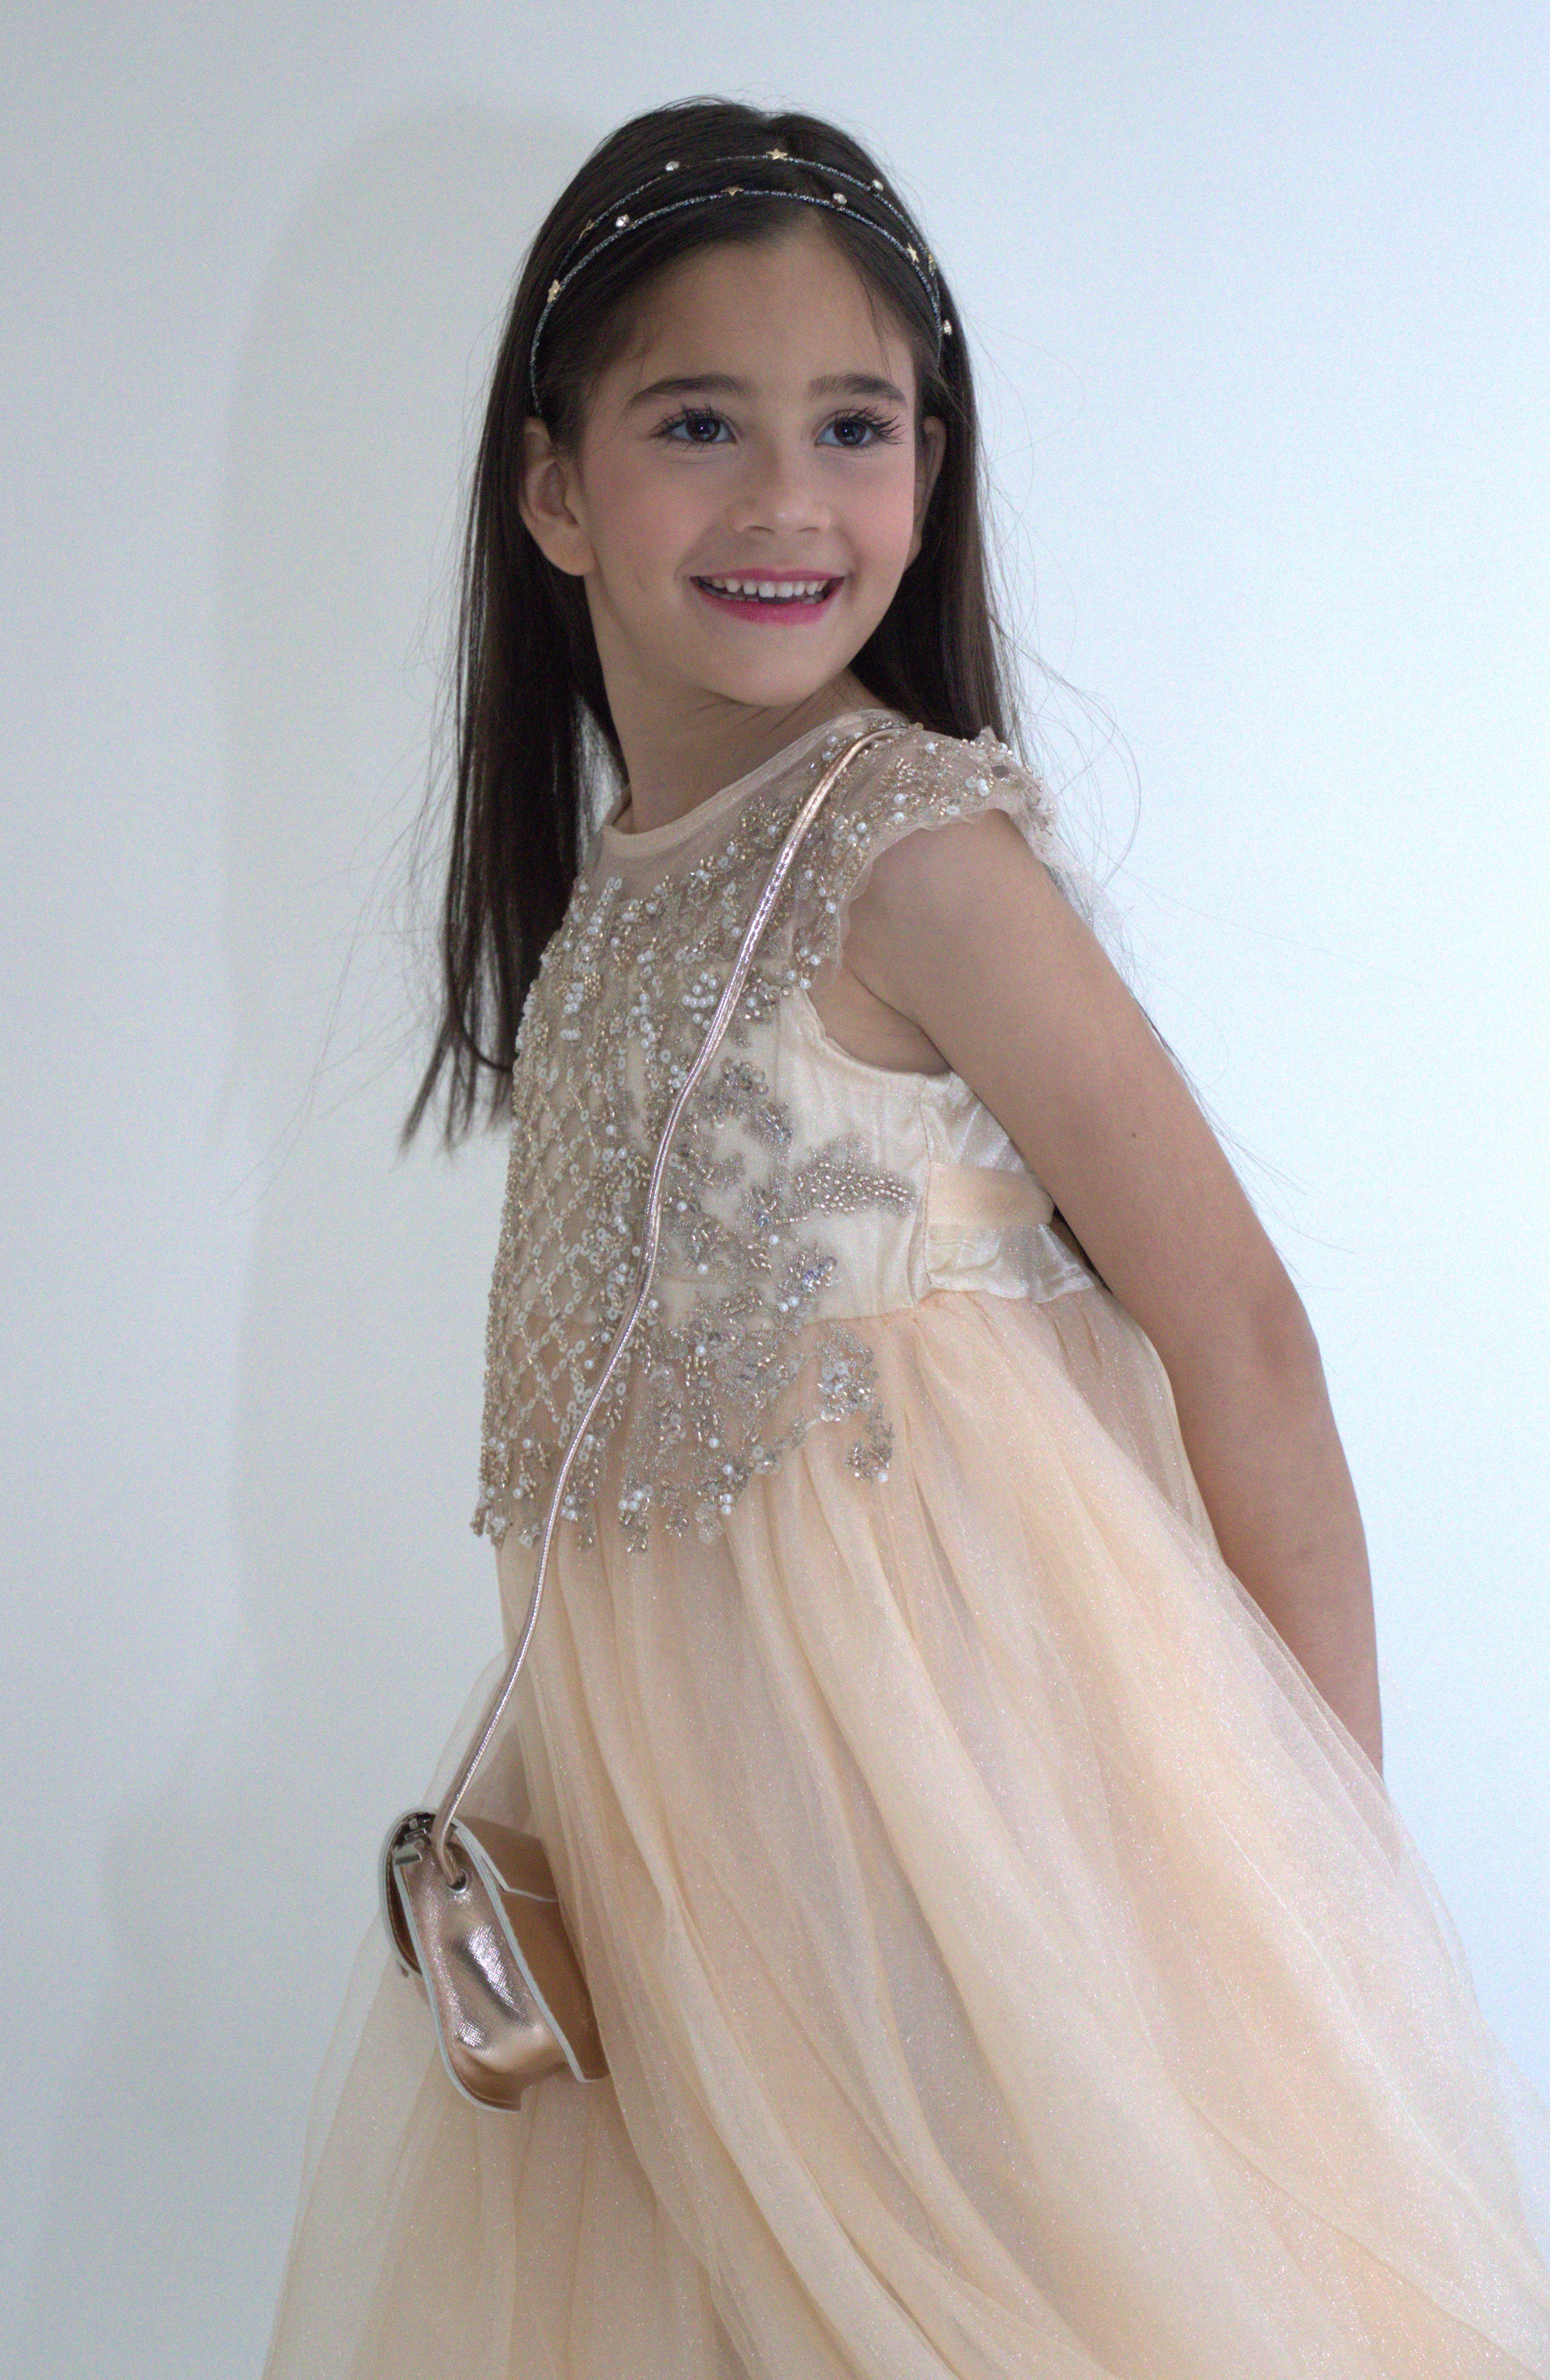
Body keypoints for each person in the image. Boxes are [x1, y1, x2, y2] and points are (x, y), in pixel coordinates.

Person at [259, 96, 1550, 2380]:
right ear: (553, 491)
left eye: (853, 426)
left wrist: (1318, 1863)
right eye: (698, 425)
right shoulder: (614, 907)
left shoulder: (919, 860)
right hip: (705, 1865)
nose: (786, 498)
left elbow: (1241, 1333)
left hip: (981, 1836)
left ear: (928, 474)